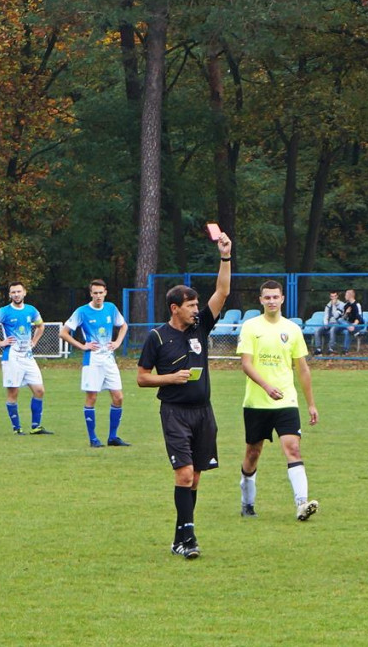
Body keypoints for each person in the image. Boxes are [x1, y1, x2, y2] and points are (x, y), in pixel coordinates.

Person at [136, 231, 232, 560]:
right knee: (185, 473)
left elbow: (223, 291)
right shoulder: (157, 337)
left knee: (196, 478)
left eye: (196, 305)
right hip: (175, 413)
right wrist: (170, 378)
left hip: (203, 412)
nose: (196, 310)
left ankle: (180, 535)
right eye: (190, 306)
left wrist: (225, 256)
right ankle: (188, 539)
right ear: (175, 308)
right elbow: (141, 379)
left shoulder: (199, 328)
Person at [237, 280, 320, 521]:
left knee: (293, 448)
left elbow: (302, 369)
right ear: (260, 300)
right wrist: (266, 386)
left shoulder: (292, 329)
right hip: (256, 402)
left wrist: (311, 404)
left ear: (283, 298)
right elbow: (246, 364)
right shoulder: (251, 327)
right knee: (253, 453)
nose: (272, 301)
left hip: (286, 401)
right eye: (267, 297)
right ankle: (247, 502)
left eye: (276, 297)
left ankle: (301, 504)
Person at [60, 279, 130, 448]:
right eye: (95, 293)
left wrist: (118, 342)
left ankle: (113, 437)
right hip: (92, 361)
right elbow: (63, 333)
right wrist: (82, 346)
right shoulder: (82, 311)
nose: (98, 296)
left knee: (118, 397)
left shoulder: (111, 308)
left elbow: (123, 326)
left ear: (105, 292)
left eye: (101, 293)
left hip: (109, 360)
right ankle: (93, 439)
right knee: (92, 397)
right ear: (91, 294)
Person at [0, 282, 53, 435]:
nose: (16, 294)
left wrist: (34, 341)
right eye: (13, 292)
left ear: (24, 292)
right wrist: (0, 342)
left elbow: (41, 326)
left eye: (19, 291)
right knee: (13, 393)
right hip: (12, 357)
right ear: (10, 295)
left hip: (28, 357)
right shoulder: (4, 312)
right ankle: (17, 428)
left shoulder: (31, 310)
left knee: (39, 390)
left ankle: (35, 426)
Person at [312, 290, 344, 355]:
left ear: (337, 296)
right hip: (329, 323)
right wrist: (325, 323)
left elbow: (336, 315)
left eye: (335, 296)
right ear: (330, 297)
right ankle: (318, 348)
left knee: (332, 330)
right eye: (332, 296)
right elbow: (326, 315)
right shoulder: (328, 305)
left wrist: (334, 305)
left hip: (338, 323)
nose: (333, 298)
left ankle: (331, 348)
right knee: (317, 330)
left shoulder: (341, 305)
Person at [341, 288, 365, 354]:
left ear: (350, 295)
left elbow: (359, 317)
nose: (345, 296)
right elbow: (343, 318)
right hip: (349, 325)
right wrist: (346, 312)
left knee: (348, 330)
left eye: (346, 294)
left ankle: (345, 349)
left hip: (357, 325)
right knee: (342, 323)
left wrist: (354, 325)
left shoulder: (357, 305)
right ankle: (345, 350)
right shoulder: (346, 305)